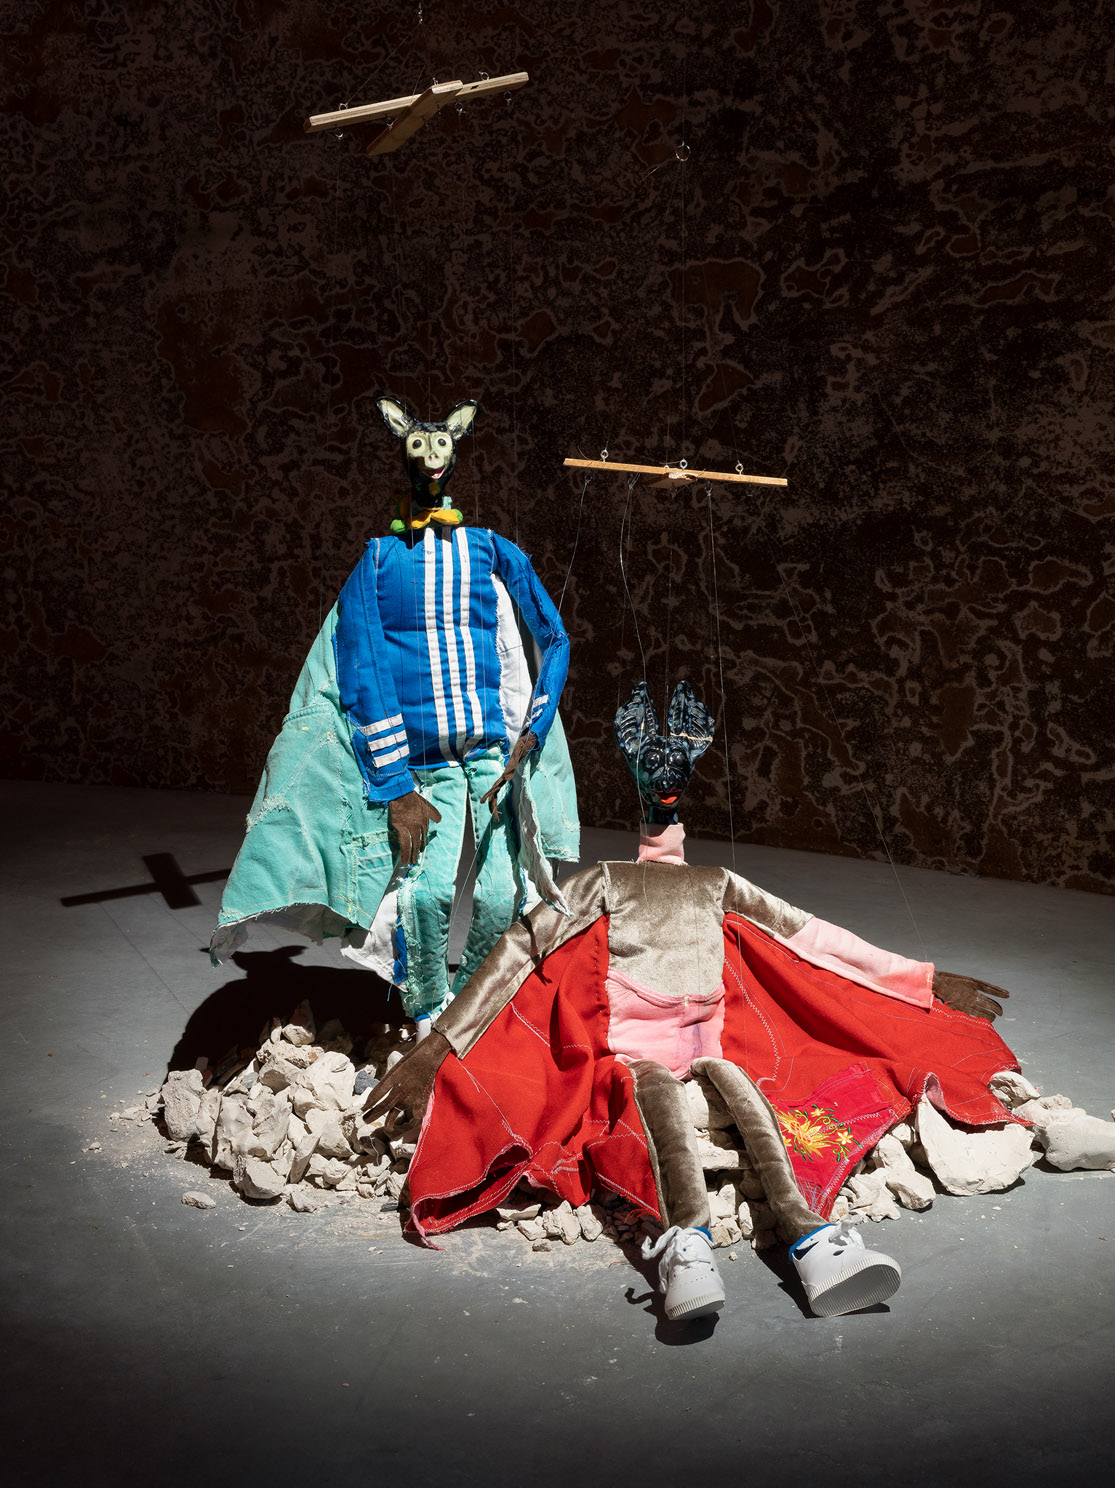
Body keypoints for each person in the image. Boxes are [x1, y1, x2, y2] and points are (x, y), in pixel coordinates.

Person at [363, 680, 1015, 1323]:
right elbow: (516, 954)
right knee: (662, 1114)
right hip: (631, 1056)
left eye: (675, 769)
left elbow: (815, 941)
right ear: (638, 781)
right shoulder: (604, 883)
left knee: (749, 1101)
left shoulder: (716, 884)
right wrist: (436, 1049)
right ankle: (687, 1243)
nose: (665, 780)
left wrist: (921, 981)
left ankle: (814, 1239)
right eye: (654, 770)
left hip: (711, 1047)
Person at [210, 397, 578, 1030]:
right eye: (419, 446)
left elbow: (556, 637)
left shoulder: (491, 550)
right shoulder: (378, 561)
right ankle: (429, 1016)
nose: (431, 457)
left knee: (501, 895)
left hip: (491, 758)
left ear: (455, 452)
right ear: (404, 452)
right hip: (425, 764)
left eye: (441, 446)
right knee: (426, 897)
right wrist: (396, 785)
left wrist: (533, 729)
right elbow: (362, 669)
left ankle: (476, 1015)